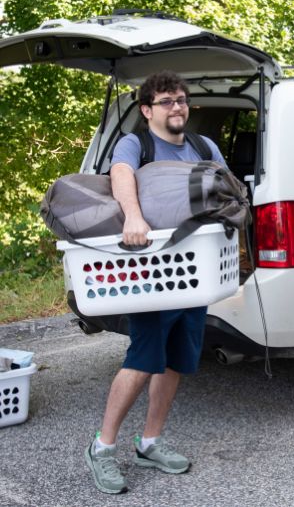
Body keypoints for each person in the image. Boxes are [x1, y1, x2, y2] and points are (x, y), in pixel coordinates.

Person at [84, 71, 226, 494]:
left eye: (181, 100)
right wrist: (133, 216)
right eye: (166, 101)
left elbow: (221, 186)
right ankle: (102, 448)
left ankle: (150, 443)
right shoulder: (137, 143)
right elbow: (122, 175)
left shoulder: (203, 146)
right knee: (143, 358)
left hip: (192, 272)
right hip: (151, 273)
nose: (177, 107)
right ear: (147, 110)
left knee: (177, 359)